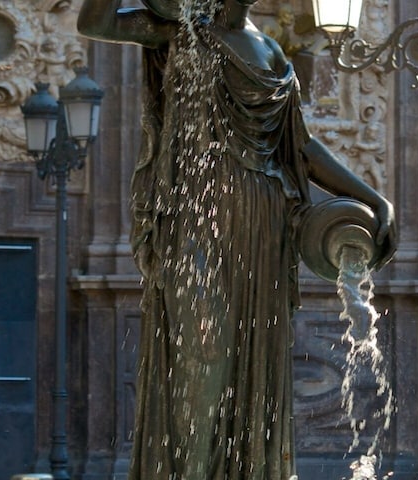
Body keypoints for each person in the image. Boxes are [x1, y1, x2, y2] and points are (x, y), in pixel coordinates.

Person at [76, 0, 395, 477]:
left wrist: (374, 198)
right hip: (194, 217)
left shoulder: (270, 51)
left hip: (262, 226)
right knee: (201, 355)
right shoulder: (178, 31)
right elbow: (95, 21)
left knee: (255, 371)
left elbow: (301, 147)